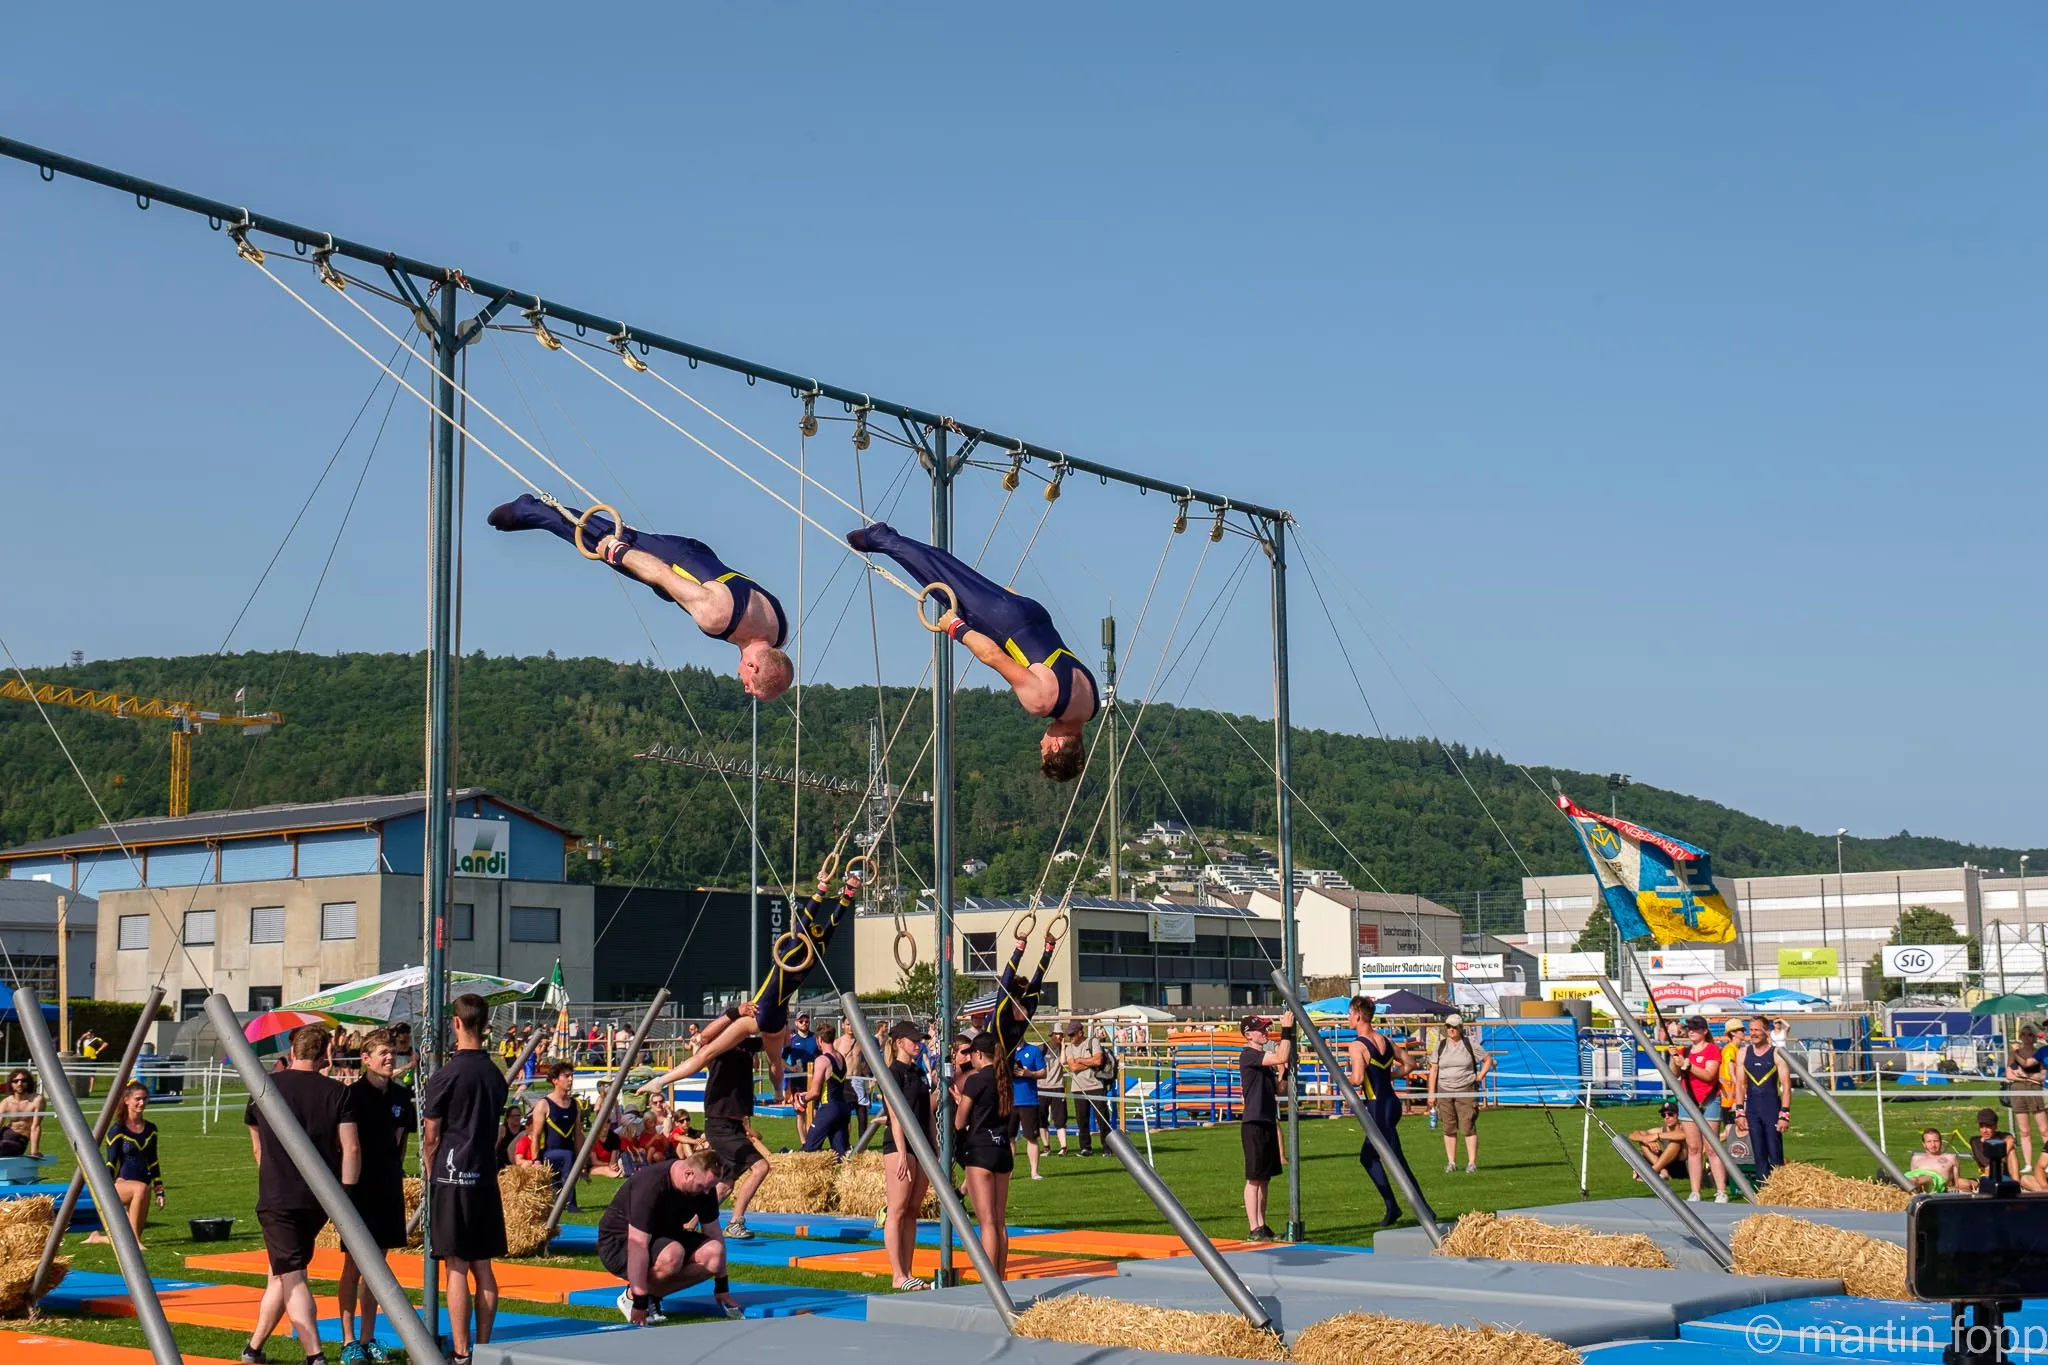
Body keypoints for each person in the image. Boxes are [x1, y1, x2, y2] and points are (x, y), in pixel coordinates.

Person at [845, 521, 1099, 780]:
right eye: (1043, 751)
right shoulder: (1043, 701)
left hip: (1033, 613)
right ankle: (882, 538)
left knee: (948, 569)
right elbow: (993, 657)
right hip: (1005, 622)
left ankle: (890, 539)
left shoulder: (1091, 705)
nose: (1041, 745)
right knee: (940, 580)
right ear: (1057, 747)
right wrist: (956, 628)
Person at [490, 494, 793, 701]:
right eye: (750, 687)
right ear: (753, 668)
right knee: (599, 540)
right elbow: (660, 573)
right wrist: (617, 552)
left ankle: (540, 511)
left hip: (701, 560)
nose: (745, 688)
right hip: (675, 561)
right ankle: (529, 508)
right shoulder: (717, 617)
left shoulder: (778, 629)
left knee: (626, 552)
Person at [639, 866, 864, 1098]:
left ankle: (662, 1081)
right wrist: (847, 894)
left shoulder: (790, 950)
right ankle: (778, 1092)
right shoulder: (816, 954)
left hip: (758, 1011)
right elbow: (833, 922)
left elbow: (806, 917)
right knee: (775, 1061)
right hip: (776, 1018)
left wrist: (821, 888)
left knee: (707, 1052)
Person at [242, 1025, 359, 1365]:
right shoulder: (337, 1092)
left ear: (292, 1052)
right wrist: (346, 1195)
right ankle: (254, 1348)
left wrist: (269, 1166)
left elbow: (255, 1140)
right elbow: (350, 1147)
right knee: (282, 1272)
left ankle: (315, 1355)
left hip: (279, 1196)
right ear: (326, 1055)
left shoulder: (266, 1088)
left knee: (292, 1276)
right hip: (319, 1198)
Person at [421, 994, 510, 1365]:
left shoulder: (445, 1076)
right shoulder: (495, 1075)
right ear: (485, 1025)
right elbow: (495, 1131)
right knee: (483, 1265)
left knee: (455, 1265)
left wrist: (430, 1171)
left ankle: (461, 1352)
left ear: (456, 1024)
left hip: (452, 1176)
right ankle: (485, 1346)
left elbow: (431, 1136)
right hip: (484, 1176)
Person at [338, 1029, 416, 1365]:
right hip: (359, 1191)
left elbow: (402, 1142)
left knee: (378, 1268)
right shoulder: (351, 1096)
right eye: (382, 1053)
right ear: (366, 1058)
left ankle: (368, 1337)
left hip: (388, 1187)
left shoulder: (402, 1096)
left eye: (393, 1053)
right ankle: (348, 1340)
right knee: (354, 1266)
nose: (389, 1058)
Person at [600, 1147, 739, 1324]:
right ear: (688, 1173)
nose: (706, 1192)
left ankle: (651, 1296)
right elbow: (638, 1245)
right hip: (619, 1242)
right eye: (702, 1187)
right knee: (673, 1254)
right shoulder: (650, 1186)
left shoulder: (704, 1187)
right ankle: (633, 1297)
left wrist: (722, 1286)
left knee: (714, 1253)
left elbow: (713, 1233)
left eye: (709, 1187)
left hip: (664, 1235)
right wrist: (640, 1300)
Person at [1347, 996, 1415, 1228]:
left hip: (1376, 1107)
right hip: (1391, 1104)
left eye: (1349, 1014)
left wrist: (1340, 1077)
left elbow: (1357, 1079)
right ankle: (1394, 1207)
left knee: (1395, 1160)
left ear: (1357, 1015)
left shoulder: (1357, 1045)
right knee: (1371, 1157)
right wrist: (1390, 1076)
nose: (1348, 1019)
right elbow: (1410, 1064)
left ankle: (1420, 1208)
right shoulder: (1384, 1040)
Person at [878, 1021, 934, 1290]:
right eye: (913, 1040)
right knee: (898, 1209)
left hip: (922, 1144)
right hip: (900, 1145)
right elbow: (895, 1114)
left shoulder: (918, 1071)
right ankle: (897, 1273)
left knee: (913, 1211)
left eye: (920, 1039)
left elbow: (929, 1113)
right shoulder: (893, 1073)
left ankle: (908, 1272)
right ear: (899, 1042)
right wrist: (901, 1152)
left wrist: (934, 1148)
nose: (918, 1043)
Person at [955, 1032, 1015, 1277]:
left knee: (987, 1222)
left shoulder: (976, 1080)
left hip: (981, 1151)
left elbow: (960, 1121)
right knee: (1000, 1222)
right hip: (1002, 1150)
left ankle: (989, 1279)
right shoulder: (1004, 1078)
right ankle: (999, 1276)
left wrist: (960, 1102)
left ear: (978, 1054)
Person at [1237, 1015, 1293, 1240]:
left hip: (1268, 1120)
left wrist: (1285, 1070)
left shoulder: (1263, 1062)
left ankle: (1263, 1224)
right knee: (1254, 1178)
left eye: (1265, 1029)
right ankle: (1254, 1227)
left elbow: (1279, 1089)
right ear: (1248, 1034)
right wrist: (1286, 1030)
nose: (1265, 1033)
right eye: (1260, 1030)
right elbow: (1279, 1055)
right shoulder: (1249, 1055)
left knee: (1265, 1178)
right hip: (1254, 1122)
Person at [89, 1082, 162, 1248]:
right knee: (141, 1189)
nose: (141, 1103)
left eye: (144, 1099)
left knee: (126, 1239)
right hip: (121, 1184)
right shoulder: (118, 1130)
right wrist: (105, 1189)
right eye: (138, 1099)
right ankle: (136, 1242)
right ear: (127, 1100)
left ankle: (97, 1238)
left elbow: (153, 1161)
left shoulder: (151, 1129)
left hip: (143, 1188)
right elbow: (111, 1162)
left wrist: (159, 1189)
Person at [1425, 1013, 1493, 1174]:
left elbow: (1487, 1060)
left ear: (1460, 1028)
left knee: (1468, 1125)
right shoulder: (1440, 1046)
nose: (1451, 1030)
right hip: (1444, 1090)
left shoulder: (1470, 1044)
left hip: (1466, 1090)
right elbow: (1433, 1070)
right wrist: (1431, 1094)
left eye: (1454, 1027)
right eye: (1448, 1027)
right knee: (1448, 1127)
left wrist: (1479, 1076)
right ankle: (1451, 1162)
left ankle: (1471, 1163)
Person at [1673, 1016, 1729, 1203]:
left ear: (1705, 1031)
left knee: (1712, 1148)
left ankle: (1721, 1190)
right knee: (1693, 1147)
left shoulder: (1713, 1050)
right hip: (1687, 1101)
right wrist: (1675, 1059)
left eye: (1696, 1029)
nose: (1691, 1032)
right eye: (1689, 1028)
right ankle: (1695, 1191)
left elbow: (1709, 1075)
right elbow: (1673, 1074)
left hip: (1709, 1100)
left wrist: (1689, 1066)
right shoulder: (1685, 1050)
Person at [1732, 1015, 1791, 1187]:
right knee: (1759, 1152)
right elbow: (1740, 1086)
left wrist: (1784, 1114)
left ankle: (1779, 1189)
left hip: (1771, 1107)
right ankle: (1764, 1189)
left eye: (1757, 1030)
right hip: (1752, 1108)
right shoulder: (1743, 1053)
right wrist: (1739, 1112)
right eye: (1751, 1030)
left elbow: (1786, 1086)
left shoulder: (1777, 1054)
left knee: (1774, 1151)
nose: (1753, 1034)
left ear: (1766, 1031)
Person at [530, 1062, 585, 1212]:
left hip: (569, 1156)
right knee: (567, 1155)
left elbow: (578, 1134)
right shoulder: (544, 1104)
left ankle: (563, 1197)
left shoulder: (575, 1105)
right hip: (548, 1155)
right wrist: (535, 1161)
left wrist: (582, 1161)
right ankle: (571, 1202)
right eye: (566, 1076)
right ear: (555, 1080)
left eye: (571, 1076)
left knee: (569, 1156)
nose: (570, 1079)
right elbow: (535, 1135)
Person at [801, 1023, 856, 1156]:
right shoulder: (841, 1057)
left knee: (809, 1150)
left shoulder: (822, 1060)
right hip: (843, 1108)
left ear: (819, 1039)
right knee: (841, 1155)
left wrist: (801, 1099)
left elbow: (815, 1092)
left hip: (829, 1108)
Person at [1061, 1023, 1108, 1155]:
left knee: (1102, 1119)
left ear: (1080, 1033)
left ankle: (1107, 1148)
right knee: (1082, 1120)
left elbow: (1098, 1061)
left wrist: (1080, 1059)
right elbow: (1073, 1067)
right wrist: (1089, 1061)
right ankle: (1085, 1148)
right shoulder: (1069, 1048)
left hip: (1096, 1085)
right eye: (1069, 1035)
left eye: (1072, 1034)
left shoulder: (1093, 1042)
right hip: (1078, 1088)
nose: (1070, 1037)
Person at [2008, 1028, 2047, 1168]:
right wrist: (2025, 1077)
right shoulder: (2014, 1054)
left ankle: (2046, 1161)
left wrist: (2024, 1076)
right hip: (2018, 1091)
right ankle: (2028, 1163)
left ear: (2035, 1037)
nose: (2026, 1037)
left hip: (2035, 1091)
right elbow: (2009, 1074)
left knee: (2044, 1130)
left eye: (2030, 1034)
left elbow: (2041, 1076)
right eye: (2023, 1034)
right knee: (2024, 1131)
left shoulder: (2039, 1053)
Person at [1011, 1032, 1047, 1180]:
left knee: (1031, 1137)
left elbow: (1043, 1073)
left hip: (1029, 1101)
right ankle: (1009, 1172)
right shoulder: (1007, 1052)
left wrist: (1028, 1073)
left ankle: (1034, 1172)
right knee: (1009, 1138)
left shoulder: (1034, 1051)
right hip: (1010, 1101)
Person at [1628, 1103, 1689, 1181]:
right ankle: (1662, 1172)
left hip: (1682, 1167)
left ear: (1678, 1115)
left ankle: (1649, 1173)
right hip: (1666, 1166)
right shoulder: (1662, 1130)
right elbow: (1633, 1135)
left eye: (1670, 1114)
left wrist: (1657, 1136)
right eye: (1663, 1115)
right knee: (1644, 1142)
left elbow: (1684, 1135)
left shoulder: (1684, 1128)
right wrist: (1646, 1140)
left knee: (1675, 1143)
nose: (1667, 1117)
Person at [783, 1014, 822, 1135]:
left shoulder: (815, 1038)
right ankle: (804, 1142)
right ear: (796, 1023)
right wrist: (791, 1068)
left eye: (806, 1021)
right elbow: (780, 1059)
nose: (804, 1023)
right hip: (798, 1081)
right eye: (801, 1021)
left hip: (814, 1079)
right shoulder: (792, 1041)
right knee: (800, 1112)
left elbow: (824, 1054)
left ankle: (813, 1140)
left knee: (814, 1111)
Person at [1970, 1107, 2023, 1195]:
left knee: (2011, 1151)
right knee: (1963, 1182)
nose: (1985, 1130)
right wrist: (2000, 1156)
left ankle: (2016, 1184)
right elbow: (1986, 1163)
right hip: (1986, 1174)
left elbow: (2011, 1140)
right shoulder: (1975, 1141)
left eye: (1988, 1126)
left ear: (1995, 1126)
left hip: (2005, 1174)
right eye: (1982, 1126)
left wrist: (1999, 1156)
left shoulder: (2002, 1136)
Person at [1905, 1128, 1968, 1193]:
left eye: (1936, 1141)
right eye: (1929, 1141)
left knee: (1920, 1179)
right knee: (1911, 1179)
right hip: (1917, 1185)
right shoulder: (1916, 1159)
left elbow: (1957, 1183)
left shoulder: (1951, 1158)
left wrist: (1953, 1188)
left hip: (1935, 1183)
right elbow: (1912, 1174)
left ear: (1940, 1142)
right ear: (1924, 1144)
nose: (1933, 1145)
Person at [0, 1070, 42, 1158]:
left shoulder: (36, 1100)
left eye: (23, 1081)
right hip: (5, 1133)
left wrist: (34, 1151)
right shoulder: (6, 1102)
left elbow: (35, 1126)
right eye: (15, 1081)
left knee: (3, 1145)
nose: (19, 1084)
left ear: (28, 1083)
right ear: (11, 1084)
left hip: (19, 1140)